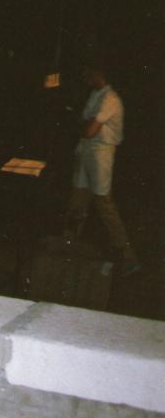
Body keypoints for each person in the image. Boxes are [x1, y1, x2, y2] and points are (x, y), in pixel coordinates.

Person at [63, 62, 139, 275]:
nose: (86, 77)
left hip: (101, 154)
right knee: (77, 199)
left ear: (100, 74)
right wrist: (84, 125)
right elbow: (85, 124)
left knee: (104, 202)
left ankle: (128, 257)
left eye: (89, 73)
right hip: (86, 150)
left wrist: (83, 125)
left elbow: (89, 130)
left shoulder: (110, 99)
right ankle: (67, 247)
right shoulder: (94, 95)